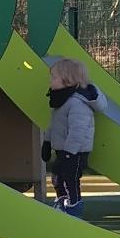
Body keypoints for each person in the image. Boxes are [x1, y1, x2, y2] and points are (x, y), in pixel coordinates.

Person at [41, 58, 97, 215]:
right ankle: (62, 201)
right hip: (63, 150)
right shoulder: (60, 101)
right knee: (57, 176)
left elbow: (77, 131)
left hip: (75, 152)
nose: (51, 81)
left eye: (54, 78)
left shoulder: (77, 104)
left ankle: (74, 207)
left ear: (68, 80)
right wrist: (47, 142)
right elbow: (54, 125)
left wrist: (70, 152)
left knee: (70, 179)